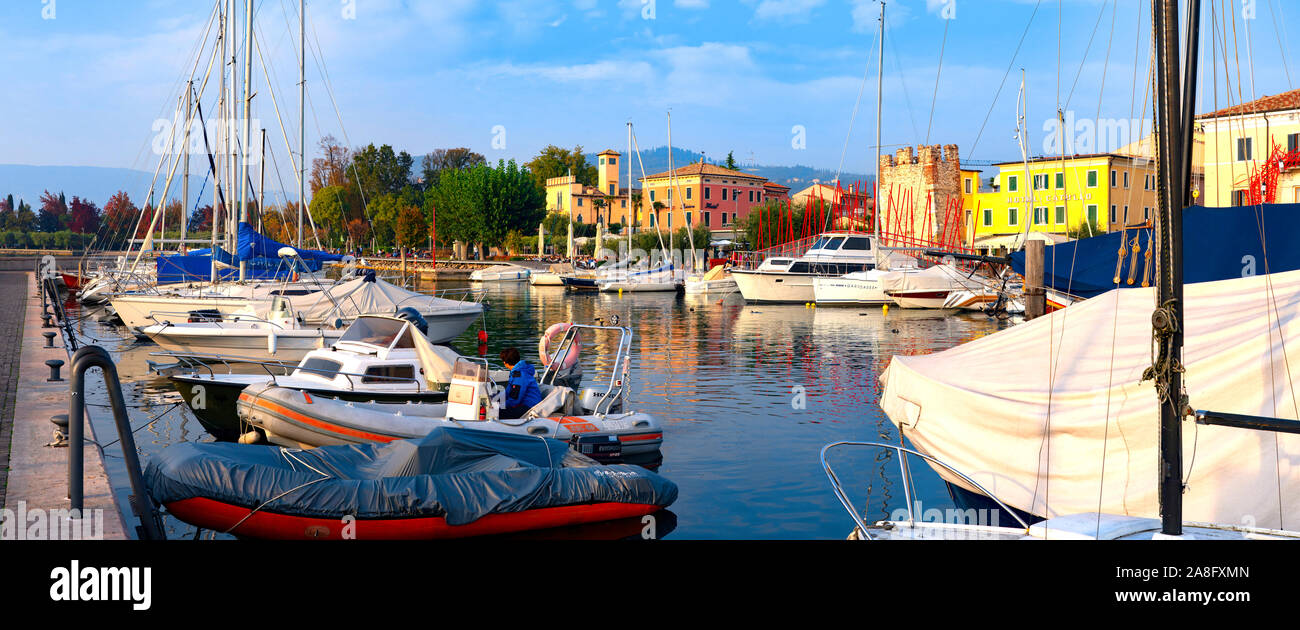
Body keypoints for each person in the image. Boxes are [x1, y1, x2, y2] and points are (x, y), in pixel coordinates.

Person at [498, 347, 543, 419]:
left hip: (529, 406)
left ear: (505, 363)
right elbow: (508, 393)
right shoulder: (517, 372)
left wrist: (499, 406)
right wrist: (494, 398)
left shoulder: (519, 375)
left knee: (497, 412)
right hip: (523, 404)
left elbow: (515, 400)